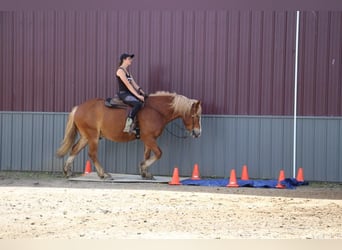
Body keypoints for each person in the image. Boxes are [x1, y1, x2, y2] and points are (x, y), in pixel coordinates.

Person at [116, 53, 146, 133]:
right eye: (129, 59)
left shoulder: (128, 72)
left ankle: (137, 124)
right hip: (124, 94)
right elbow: (128, 85)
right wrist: (138, 96)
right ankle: (127, 126)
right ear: (124, 60)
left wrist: (142, 92)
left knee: (143, 102)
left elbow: (134, 84)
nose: (131, 61)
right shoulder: (120, 71)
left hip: (129, 93)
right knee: (138, 104)